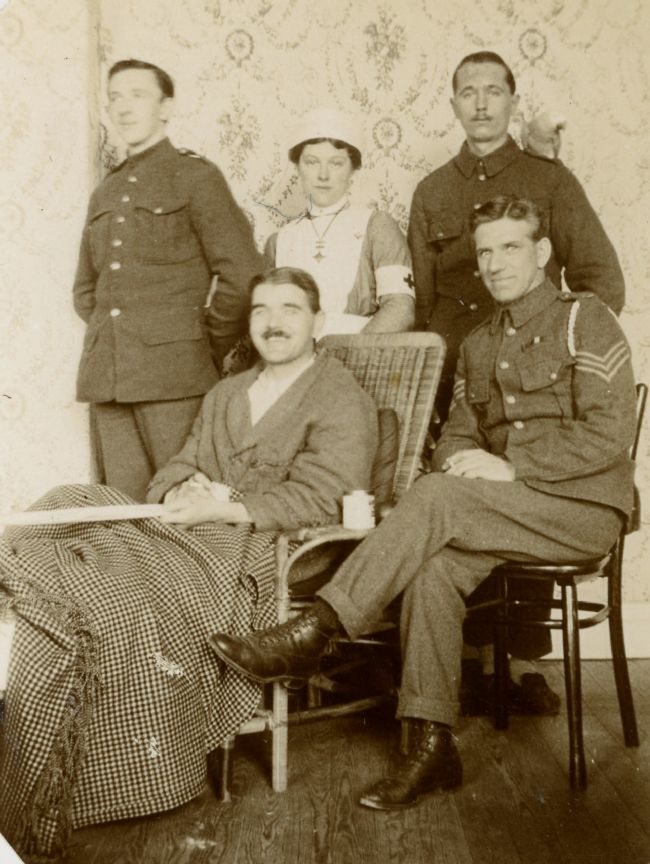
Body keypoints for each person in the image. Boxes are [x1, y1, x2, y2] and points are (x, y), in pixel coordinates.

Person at [209, 197, 637, 811]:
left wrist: (512, 464)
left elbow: (609, 431)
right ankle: (431, 744)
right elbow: (458, 435)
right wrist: (465, 461)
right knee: (433, 569)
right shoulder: (480, 343)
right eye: (485, 251)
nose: (494, 263)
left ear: (541, 252)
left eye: (510, 247)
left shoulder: (584, 319)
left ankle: (317, 631)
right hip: (502, 511)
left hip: (581, 509)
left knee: (436, 497)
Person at [0, 267, 378, 858]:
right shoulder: (228, 392)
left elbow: (327, 494)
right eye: (260, 310)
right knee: (70, 502)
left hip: (263, 545)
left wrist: (225, 508)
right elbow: (182, 461)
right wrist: (181, 486)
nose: (273, 323)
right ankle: (37, 591)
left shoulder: (340, 396)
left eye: (290, 309)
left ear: (318, 321)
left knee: (115, 599)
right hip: (187, 525)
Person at [73, 58, 265, 503]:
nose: (123, 107)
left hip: (177, 377)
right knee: (121, 512)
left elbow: (243, 274)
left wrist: (201, 341)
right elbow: (86, 290)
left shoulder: (196, 177)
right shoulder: (105, 192)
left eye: (137, 95)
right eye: (115, 97)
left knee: (185, 506)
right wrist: (117, 338)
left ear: (166, 107)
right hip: (108, 380)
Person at [408, 51, 625, 428]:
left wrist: (560, 354)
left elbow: (601, 280)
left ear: (514, 102)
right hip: (453, 377)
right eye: (468, 93)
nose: (480, 105)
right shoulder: (431, 190)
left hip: (536, 379)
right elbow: (422, 304)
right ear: (453, 106)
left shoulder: (550, 180)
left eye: (493, 92)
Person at [265, 108, 415, 338]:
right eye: (312, 162)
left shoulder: (377, 226)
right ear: (297, 167)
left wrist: (353, 352)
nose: (323, 175)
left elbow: (401, 309)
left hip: (362, 354)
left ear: (353, 169)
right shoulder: (279, 241)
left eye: (336, 163)